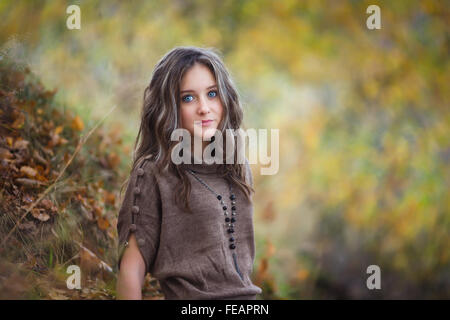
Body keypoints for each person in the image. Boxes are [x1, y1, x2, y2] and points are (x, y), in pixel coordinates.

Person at [116, 46, 262, 300]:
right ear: (169, 107)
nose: (204, 108)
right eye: (188, 98)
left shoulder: (237, 168)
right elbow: (131, 270)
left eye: (212, 94)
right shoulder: (154, 172)